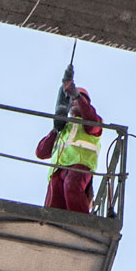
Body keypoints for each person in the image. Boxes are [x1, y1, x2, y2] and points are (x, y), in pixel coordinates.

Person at [37, 85, 105, 214]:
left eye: (78, 99)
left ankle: (81, 222)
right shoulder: (64, 127)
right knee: (53, 206)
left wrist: (77, 96)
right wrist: (55, 130)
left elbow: (92, 123)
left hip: (79, 166)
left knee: (72, 186)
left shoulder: (93, 122)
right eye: (71, 99)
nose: (73, 101)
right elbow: (41, 152)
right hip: (57, 172)